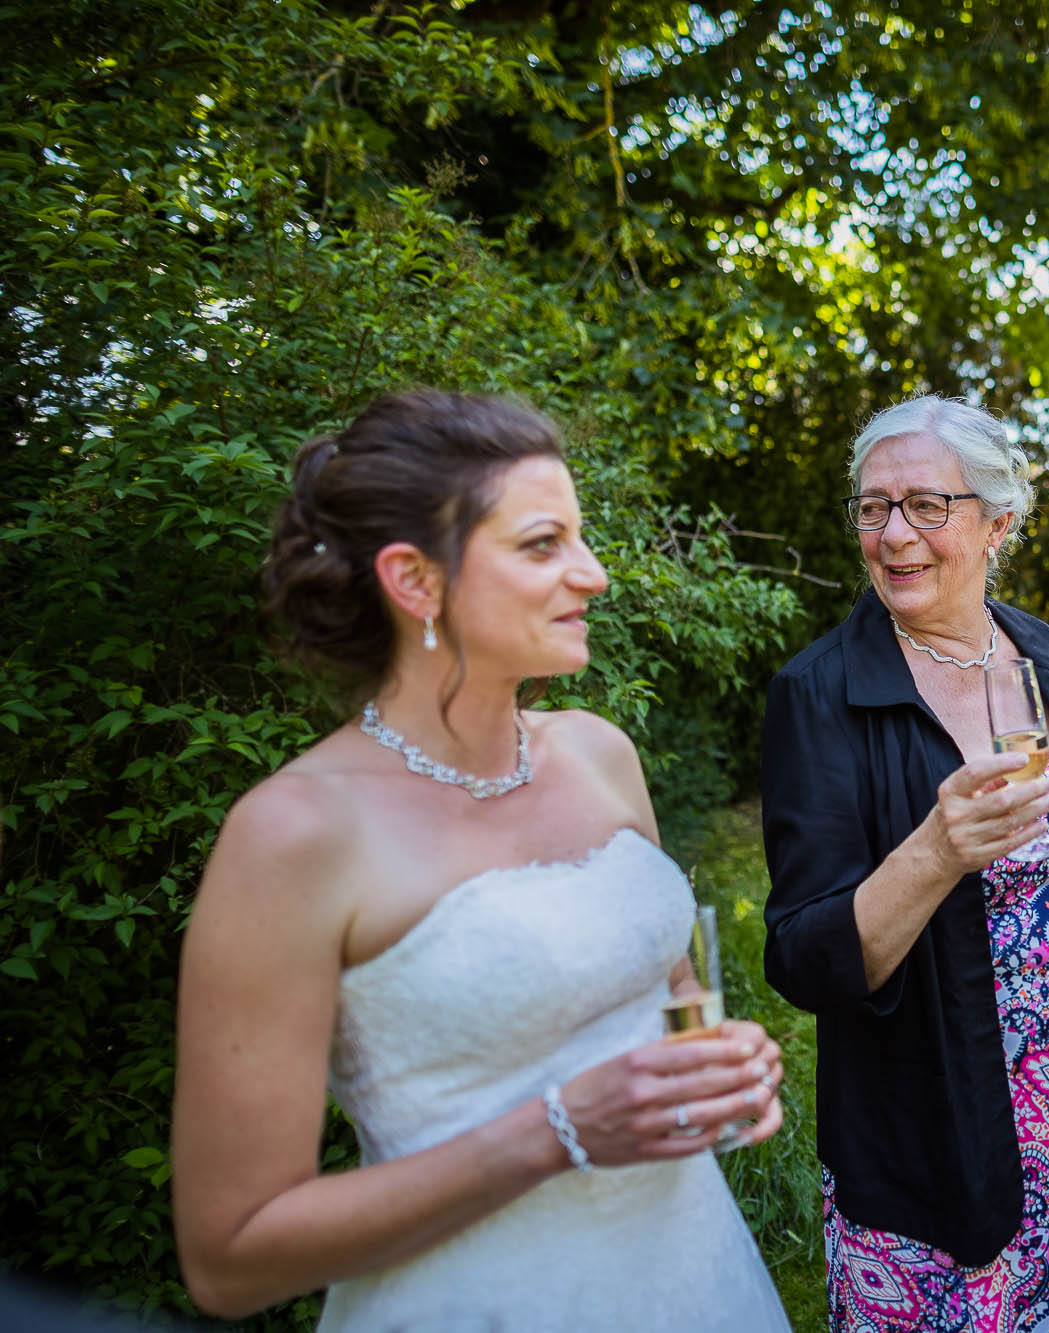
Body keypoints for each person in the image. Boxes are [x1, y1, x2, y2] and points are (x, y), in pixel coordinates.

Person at [170, 391, 791, 1330]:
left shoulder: (598, 750)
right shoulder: (293, 835)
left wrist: (718, 1068)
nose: (595, 575)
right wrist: (558, 1132)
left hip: (696, 1280)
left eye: (580, 538)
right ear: (414, 580)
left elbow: (662, 1003)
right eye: (544, 545)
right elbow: (228, 1257)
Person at [759, 395, 1049, 1332]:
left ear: (997, 521)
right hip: (937, 1129)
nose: (894, 534)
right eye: (872, 507)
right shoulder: (818, 695)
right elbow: (805, 961)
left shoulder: (1041, 655)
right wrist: (936, 851)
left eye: (926, 506)